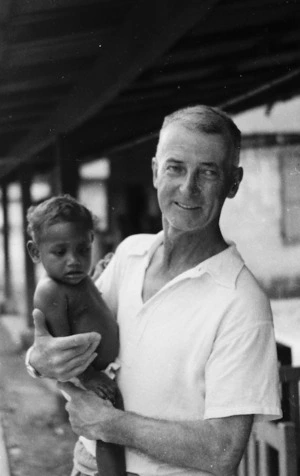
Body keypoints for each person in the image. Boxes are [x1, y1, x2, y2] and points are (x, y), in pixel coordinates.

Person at [26, 105, 282, 476]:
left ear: (233, 182)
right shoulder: (130, 253)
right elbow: (61, 338)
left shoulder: (242, 302)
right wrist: (39, 361)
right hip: (87, 467)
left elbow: (223, 450)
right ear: (155, 172)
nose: (188, 188)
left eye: (208, 172)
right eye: (175, 167)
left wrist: (110, 424)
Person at [26, 194, 124, 476]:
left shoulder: (81, 279)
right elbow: (60, 346)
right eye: (60, 252)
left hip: (104, 371)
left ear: (92, 239)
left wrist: (98, 273)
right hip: (87, 377)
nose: (74, 261)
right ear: (36, 252)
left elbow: (88, 303)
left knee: (114, 430)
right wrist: (89, 377)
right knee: (106, 433)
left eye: (82, 250)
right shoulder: (50, 291)